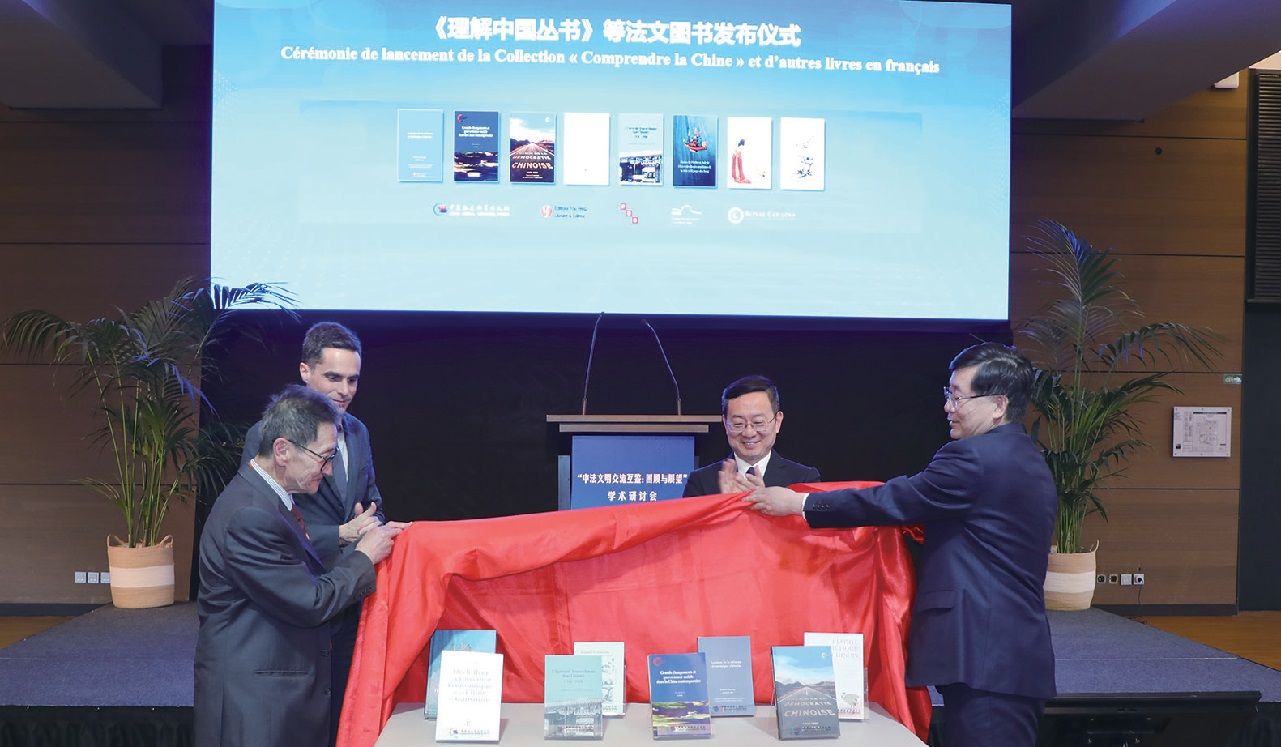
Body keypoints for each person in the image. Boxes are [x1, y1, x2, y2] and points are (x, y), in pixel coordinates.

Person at [744, 343, 1056, 747]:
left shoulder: (975, 458)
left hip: (986, 658)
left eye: (958, 397)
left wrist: (799, 504)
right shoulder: (1024, 456)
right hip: (1005, 655)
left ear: (998, 405)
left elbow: (895, 499)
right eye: (948, 394)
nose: (948, 407)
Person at [195, 386, 403, 747]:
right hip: (256, 706)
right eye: (324, 458)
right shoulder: (250, 514)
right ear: (282, 450)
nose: (329, 470)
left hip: (272, 696)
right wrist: (364, 556)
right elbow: (309, 602)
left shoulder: (269, 499)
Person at [240, 321, 400, 744]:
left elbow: (371, 499)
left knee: (342, 710)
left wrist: (374, 524)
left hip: (351, 594)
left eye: (353, 380)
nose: (345, 390)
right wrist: (341, 533)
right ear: (305, 372)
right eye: (334, 377)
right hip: (299, 599)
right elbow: (263, 519)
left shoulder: (358, 431)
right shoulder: (267, 435)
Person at [683, 374, 820, 497]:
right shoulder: (700, 482)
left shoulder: (804, 479)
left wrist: (764, 503)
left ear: (777, 422)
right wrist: (726, 504)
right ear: (725, 423)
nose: (749, 433)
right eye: (738, 424)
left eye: (758, 422)